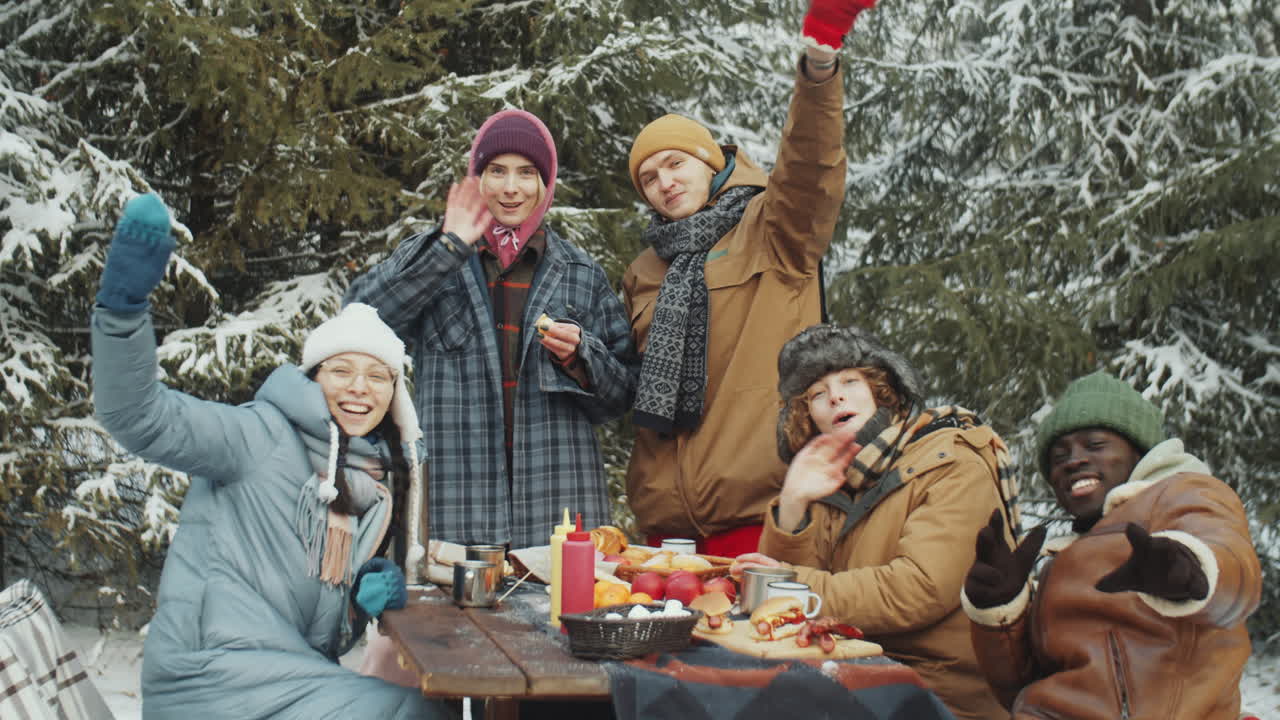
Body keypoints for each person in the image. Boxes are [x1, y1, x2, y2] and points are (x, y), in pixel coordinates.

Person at [91, 194, 451, 719]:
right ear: (313, 376)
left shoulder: (368, 486)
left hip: (293, 674)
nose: (359, 389)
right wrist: (122, 311)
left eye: (377, 377)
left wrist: (361, 602)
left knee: (428, 708)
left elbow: (319, 620)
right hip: (209, 677)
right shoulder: (256, 436)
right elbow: (137, 415)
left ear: (394, 395)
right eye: (341, 371)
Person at [621, 0, 874, 555]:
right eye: (649, 176)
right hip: (664, 530)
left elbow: (812, 163)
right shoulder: (643, 270)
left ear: (710, 162)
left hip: (762, 521)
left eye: (676, 163)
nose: (665, 181)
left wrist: (820, 61)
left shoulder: (773, 228)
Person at [346, 110, 637, 550]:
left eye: (526, 172)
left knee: (559, 620)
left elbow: (621, 396)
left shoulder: (579, 272)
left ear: (545, 183)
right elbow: (360, 318)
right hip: (454, 513)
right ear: (476, 179)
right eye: (496, 171)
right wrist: (451, 245)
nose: (510, 187)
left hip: (558, 514)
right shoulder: (433, 255)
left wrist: (582, 357)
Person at [732, 324, 1016, 720]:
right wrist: (794, 503)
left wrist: (793, 587)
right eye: (817, 393)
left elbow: (918, 590)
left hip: (938, 694)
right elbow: (776, 612)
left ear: (883, 390)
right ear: (806, 414)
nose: (835, 397)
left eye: (850, 380)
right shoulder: (831, 475)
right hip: (848, 674)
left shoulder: (952, 461)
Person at [961, 371, 1262, 720]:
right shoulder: (1060, 561)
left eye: (1095, 445)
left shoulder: (1180, 493)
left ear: (1138, 451)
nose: (1073, 460)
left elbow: (1236, 569)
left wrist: (1187, 569)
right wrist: (999, 609)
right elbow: (1018, 688)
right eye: (1059, 457)